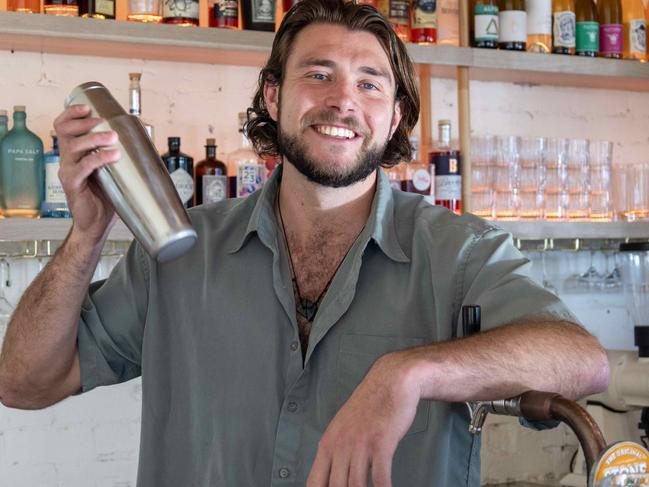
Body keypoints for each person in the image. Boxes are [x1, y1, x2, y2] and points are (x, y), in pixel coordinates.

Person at [0, 0, 609, 485]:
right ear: (273, 96)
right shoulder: (181, 255)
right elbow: (22, 383)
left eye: (370, 84)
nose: (343, 99)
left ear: (394, 118)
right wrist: (86, 234)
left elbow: (583, 360)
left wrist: (408, 374)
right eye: (318, 74)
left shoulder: (459, 253)